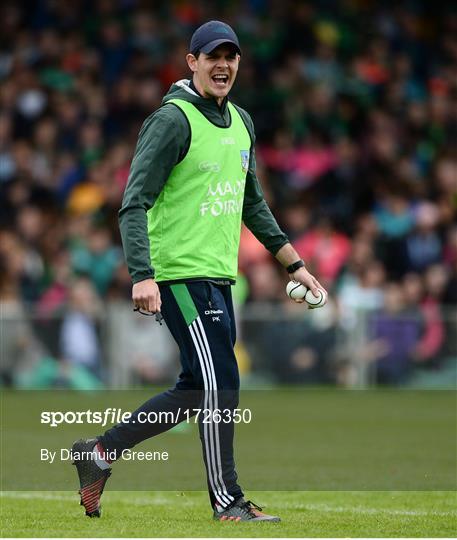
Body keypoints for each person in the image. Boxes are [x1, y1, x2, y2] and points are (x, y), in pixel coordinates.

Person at [72, 20, 326, 523]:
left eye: (231, 57)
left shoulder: (243, 122)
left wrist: (295, 265)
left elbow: (252, 203)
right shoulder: (172, 120)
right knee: (220, 384)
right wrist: (142, 274)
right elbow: (133, 202)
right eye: (212, 56)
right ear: (192, 62)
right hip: (177, 277)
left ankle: (97, 454)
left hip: (217, 279)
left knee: (194, 388)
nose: (223, 65)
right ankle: (228, 502)